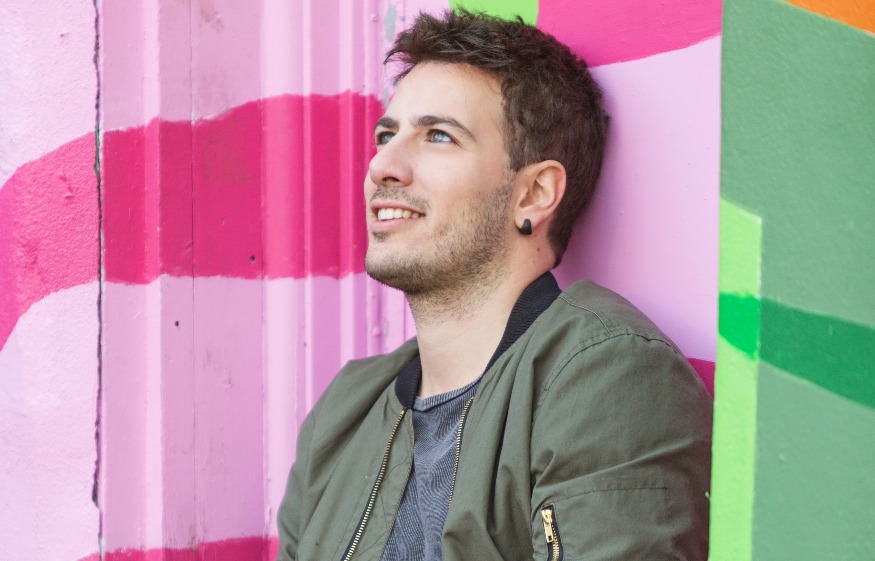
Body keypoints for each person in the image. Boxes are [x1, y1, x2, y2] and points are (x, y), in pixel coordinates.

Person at [276, 9, 712, 561]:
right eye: (387, 135)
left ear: (533, 194)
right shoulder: (347, 409)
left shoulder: (606, 376)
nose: (383, 164)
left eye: (437, 136)